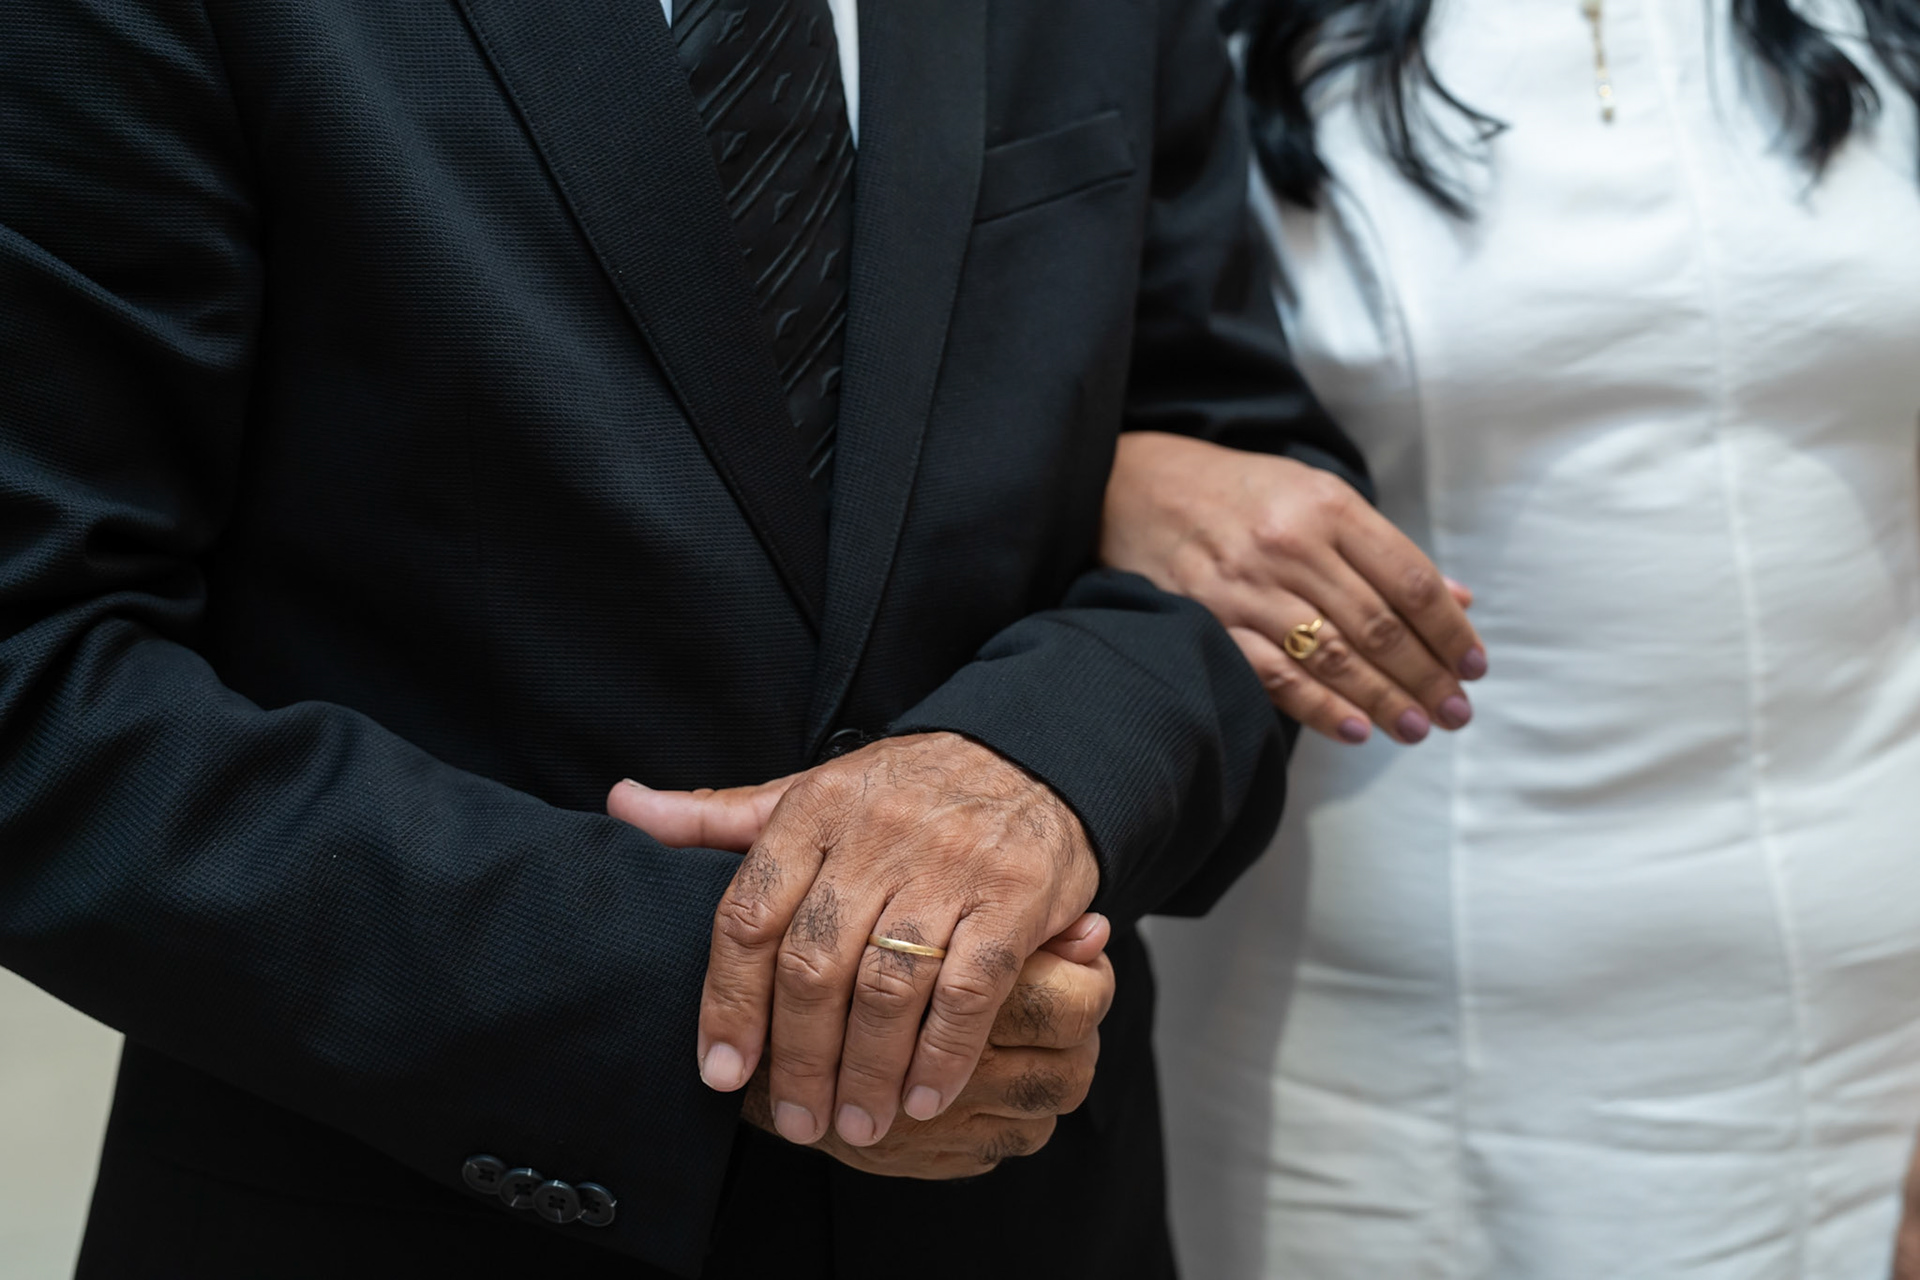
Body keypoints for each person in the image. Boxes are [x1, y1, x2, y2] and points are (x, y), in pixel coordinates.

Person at [0, 0, 1359, 1276]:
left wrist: (1047, 761)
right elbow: (37, 677)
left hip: (1027, 1212)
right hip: (399, 1206)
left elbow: (1241, 472)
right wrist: (738, 984)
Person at [1109, 0, 1920, 1275]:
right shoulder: (1196, 32)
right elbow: (1009, 379)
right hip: (1370, 1029)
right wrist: (1108, 478)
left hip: (1874, 1001)